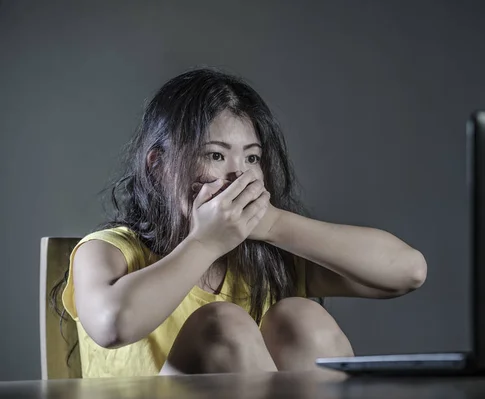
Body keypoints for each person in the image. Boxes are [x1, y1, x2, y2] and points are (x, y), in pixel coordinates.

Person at [54, 67, 427, 378]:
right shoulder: (109, 249)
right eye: (215, 155)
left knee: (303, 318)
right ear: (158, 166)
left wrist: (273, 226)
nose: (238, 177)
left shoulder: (264, 258)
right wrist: (206, 242)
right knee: (221, 325)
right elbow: (111, 325)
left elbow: (408, 271)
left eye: (251, 159)